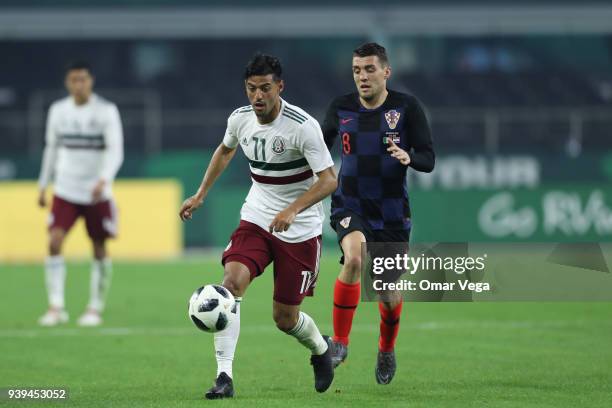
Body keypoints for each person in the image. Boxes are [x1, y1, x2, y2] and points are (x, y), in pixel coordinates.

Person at [179, 54, 337, 399]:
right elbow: (224, 150)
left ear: (280, 87)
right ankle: (224, 377)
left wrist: (293, 210)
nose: (258, 96)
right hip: (257, 216)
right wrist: (201, 193)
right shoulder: (239, 119)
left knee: (284, 318)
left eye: (265, 88)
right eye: (252, 89)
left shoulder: (302, 126)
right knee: (230, 285)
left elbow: (328, 181)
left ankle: (321, 350)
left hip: (300, 229)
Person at [322, 42, 435, 384]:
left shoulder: (406, 107)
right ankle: (339, 343)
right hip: (349, 204)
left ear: (387, 71)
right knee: (354, 259)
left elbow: (428, 158)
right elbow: (316, 149)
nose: (362, 76)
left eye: (369, 69)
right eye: (357, 70)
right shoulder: (340, 107)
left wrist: (408, 157)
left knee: (386, 293)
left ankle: (386, 349)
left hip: (391, 214)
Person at [37, 60, 124, 327]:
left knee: (98, 246)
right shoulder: (58, 111)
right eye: (74, 80)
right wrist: (43, 185)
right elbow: (51, 148)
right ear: (67, 82)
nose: (78, 84)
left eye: (83, 79)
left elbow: (116, 150)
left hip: (96, 192)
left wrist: (104, 179)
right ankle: (56, 306)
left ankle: (94, 307)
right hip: (65, 188)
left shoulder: (106, 111)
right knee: (54, 241)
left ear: (91, 81)